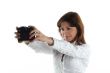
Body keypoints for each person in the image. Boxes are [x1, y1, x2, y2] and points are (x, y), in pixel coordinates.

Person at [15, 12, 90, 73]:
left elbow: (69, 49)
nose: (64, 32)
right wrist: (27, 39)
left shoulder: (84, 49)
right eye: (62, 29)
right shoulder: (58, 46)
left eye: (68, 28)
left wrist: (47, 39)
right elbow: (41, 47)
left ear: (79, 28)